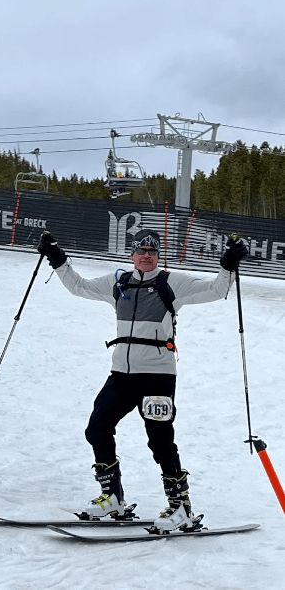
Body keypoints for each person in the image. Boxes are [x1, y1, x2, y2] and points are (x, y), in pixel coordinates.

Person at [37, 228, 248, 532]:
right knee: (97, 428)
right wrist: (57, 259)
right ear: (132, 254)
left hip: (157, 377)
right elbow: (79, 286)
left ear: (158, 255)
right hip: (122, 375)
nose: (147, 256)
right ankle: (112, 497)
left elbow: (216, 290)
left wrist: (227, 266)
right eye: (141, 251)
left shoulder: (170, 283)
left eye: (152, 251)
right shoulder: (118, 282)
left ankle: (181, 507)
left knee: (160, 441)